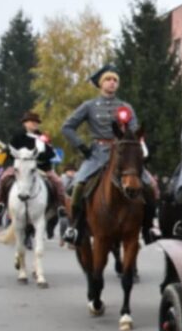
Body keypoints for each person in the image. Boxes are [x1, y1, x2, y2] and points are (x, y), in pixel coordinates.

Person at [61, 64, 158, 245]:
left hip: (124, 155)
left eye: (115, 80)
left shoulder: (125, 107)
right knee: (78, 185)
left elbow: (136, 131)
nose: (112, 83)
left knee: (150, 185)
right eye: (108, 79)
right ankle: (74, 227)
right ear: (100, 83)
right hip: (98, 153)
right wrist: (82, 146)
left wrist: (140, 150)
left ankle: (148, 227)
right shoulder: (89, 106)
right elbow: (66, 127)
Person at [0, 112, 66, 228]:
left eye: (36, 122)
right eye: (31, 122)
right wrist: (16, 156)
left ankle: (60, 206)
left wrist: (39, 157)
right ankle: (0, 203)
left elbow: (51, 153)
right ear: (25, 123)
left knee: (58, 182)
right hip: (21, 167)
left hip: (42, 168)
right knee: (3, 179)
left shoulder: (43, 137)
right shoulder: (17, 136)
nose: (34, 124)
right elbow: (10, 153)